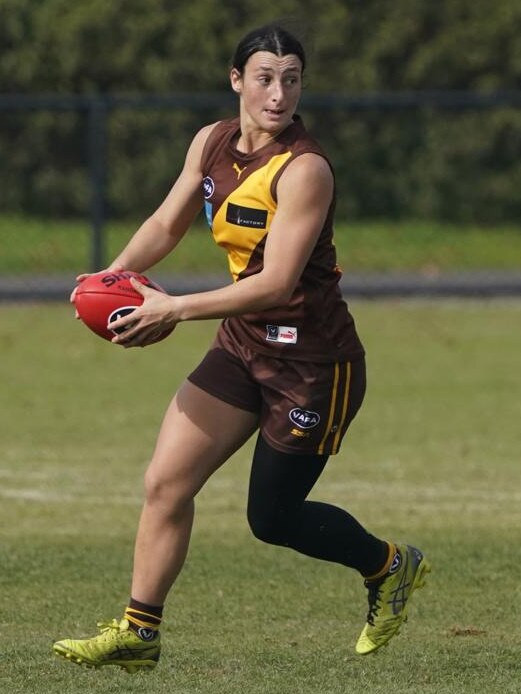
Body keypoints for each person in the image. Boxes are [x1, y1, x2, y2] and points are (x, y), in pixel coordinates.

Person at [52, 23, 430, 673]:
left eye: (291, 79)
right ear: (236, 80)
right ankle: (139, 633)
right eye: (264, 77)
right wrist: (104, 279)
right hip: (241, 345)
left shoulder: (305, 169)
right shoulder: (212, 142)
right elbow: (166, 222)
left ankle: (389, 566)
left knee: (273, 518)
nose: (278, 93)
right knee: (165, 482)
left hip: (313, 363)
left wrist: (173, 307)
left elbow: (276, 283)